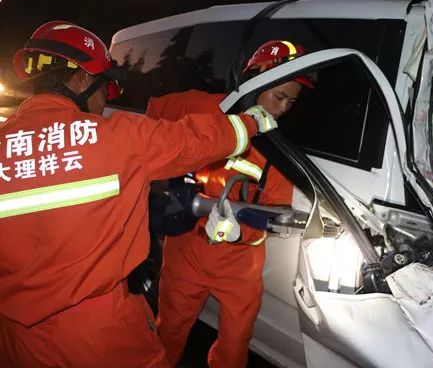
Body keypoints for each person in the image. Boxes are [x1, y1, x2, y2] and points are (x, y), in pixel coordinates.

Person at [0, 21, 276, 367]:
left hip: (14, 338)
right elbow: (193, 140)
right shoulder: (118, 138)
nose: (104, 105)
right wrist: (252, 122)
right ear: (84, 80)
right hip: (100, 335)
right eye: (105, 91)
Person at [146, 40, 313, 368]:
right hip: (186, 254)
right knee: (168, 334)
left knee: (234, 348)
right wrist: (166, 175)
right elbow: (149, 119)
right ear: (256, 81)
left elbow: (277, 211)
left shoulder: (277, 150)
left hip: (239, 266)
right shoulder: (203, 108)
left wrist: (241, 232)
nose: (281, 109)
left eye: (290, 102)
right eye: (278, 96)